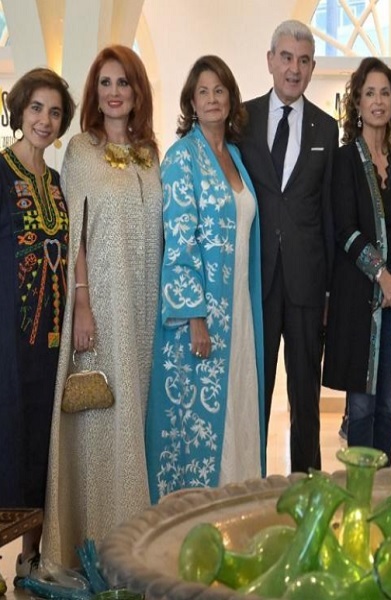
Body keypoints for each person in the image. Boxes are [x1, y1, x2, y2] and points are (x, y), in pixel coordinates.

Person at [42, 45, 162, 565]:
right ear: (95, 92)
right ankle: (91, 543)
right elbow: (76, 237)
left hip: (145, 308)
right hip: (100, 306)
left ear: (137, 92)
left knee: (135, 415)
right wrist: (83, 303)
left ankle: (133, 540)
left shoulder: (150, 154)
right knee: (98, 417)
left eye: (123, 83)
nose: (114, 93)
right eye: (106, 83)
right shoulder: (80, 151)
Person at [146, 55, 265, 503]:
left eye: (219, 90)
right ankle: (195, 516)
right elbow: (179, 241)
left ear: (231, 98)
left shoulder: (235, 156)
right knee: (198, 423)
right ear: (191, 103)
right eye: (203, 92)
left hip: (238, 309)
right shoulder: (182, 158)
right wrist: (195, 316)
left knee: (238, 407)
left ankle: (236, 508)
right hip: (200, 318)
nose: (212, 99)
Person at [238, 20, 338, 473]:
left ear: (312, 68)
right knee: (254, 397)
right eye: (286, 58)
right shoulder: (242, 120)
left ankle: (308, 490)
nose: (294, 69)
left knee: (305, 400)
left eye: (303, 60)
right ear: (270, 61)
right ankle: (251, 487)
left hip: (306, 285)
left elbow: (328, 213)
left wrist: (329, 290)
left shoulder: (326, 129)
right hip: (256, 282)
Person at [324, 57, 391, 466]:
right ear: (357, 103)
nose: (378, 101)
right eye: (369, 93)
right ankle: (359, 496)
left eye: (385, 93)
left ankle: (382, 492)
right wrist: (382, 276)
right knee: (361, 407)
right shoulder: (344, 160)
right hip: (359, 300)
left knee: (387, 406)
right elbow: (345, 229)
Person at [0, 68, 75, 580]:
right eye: (36, 109)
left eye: (54, 112)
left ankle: (32, 556)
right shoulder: (1, 172)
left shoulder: (57, 183)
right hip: (6, 335)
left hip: (50, 339)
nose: (44, 121)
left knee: (43, 442)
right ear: (19, 111)